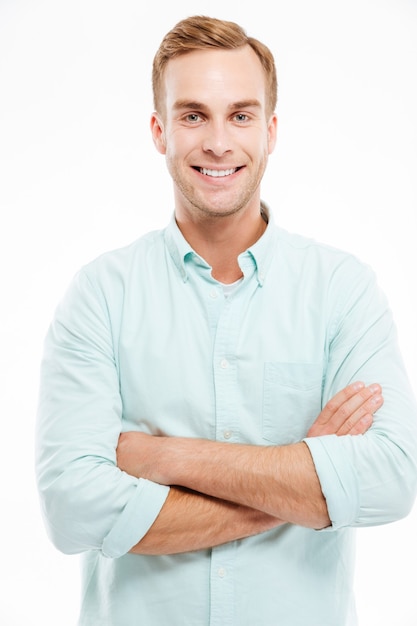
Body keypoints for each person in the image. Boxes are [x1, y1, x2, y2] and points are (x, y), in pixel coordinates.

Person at [35, 15, 417, 626]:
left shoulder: (342, 291)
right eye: (193, 115)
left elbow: (391, 478)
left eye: (240, 115)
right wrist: (298, 479)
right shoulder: (101, 296)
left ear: (270, 131)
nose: (218, 142)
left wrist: (159, 456)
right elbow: (73, 509)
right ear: (159, 131)